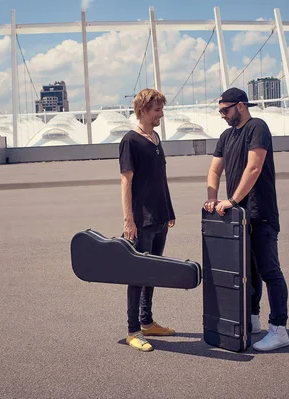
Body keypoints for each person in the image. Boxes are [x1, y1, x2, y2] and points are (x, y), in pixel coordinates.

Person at [203, 87, 289, 352]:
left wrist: (231, 201)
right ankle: (252, 321)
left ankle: (279, 329)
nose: (222, 115)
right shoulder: (226, 135)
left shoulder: (257, 127)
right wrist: (212, 197)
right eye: (219, 111)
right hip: (239, 219)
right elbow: (214, 170)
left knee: (269, 272)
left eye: (225, 110)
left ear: (240, 106)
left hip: (260, 214)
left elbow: (254, 167)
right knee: (247, 274)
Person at [119, 88, 177, 352]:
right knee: (136, 274)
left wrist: (169, 210)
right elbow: (125, 182)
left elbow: (159, 179)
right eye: (157, 110)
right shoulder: (130, 141)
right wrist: (128, 220)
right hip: (141, 221)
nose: (161, 115)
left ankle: (147, 322)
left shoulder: (155, 138)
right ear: (143, 110)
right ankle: (133, 331)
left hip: (160, 218)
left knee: (152, 272)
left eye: (161, 110)